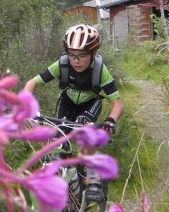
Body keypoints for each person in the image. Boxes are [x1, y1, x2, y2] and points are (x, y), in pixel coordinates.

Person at [23, 24, 124, 200]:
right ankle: (63, 179)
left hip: (90, 104)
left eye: (82, 56)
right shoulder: (62, 64)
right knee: (57, 139)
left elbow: (117, 104)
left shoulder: (101, 71)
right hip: (67, 103)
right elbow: (32, 83)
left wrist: (110, 121)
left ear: (93, 54)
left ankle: (92, 179)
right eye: (71, 55)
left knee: (85, 128)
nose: (75, 61)